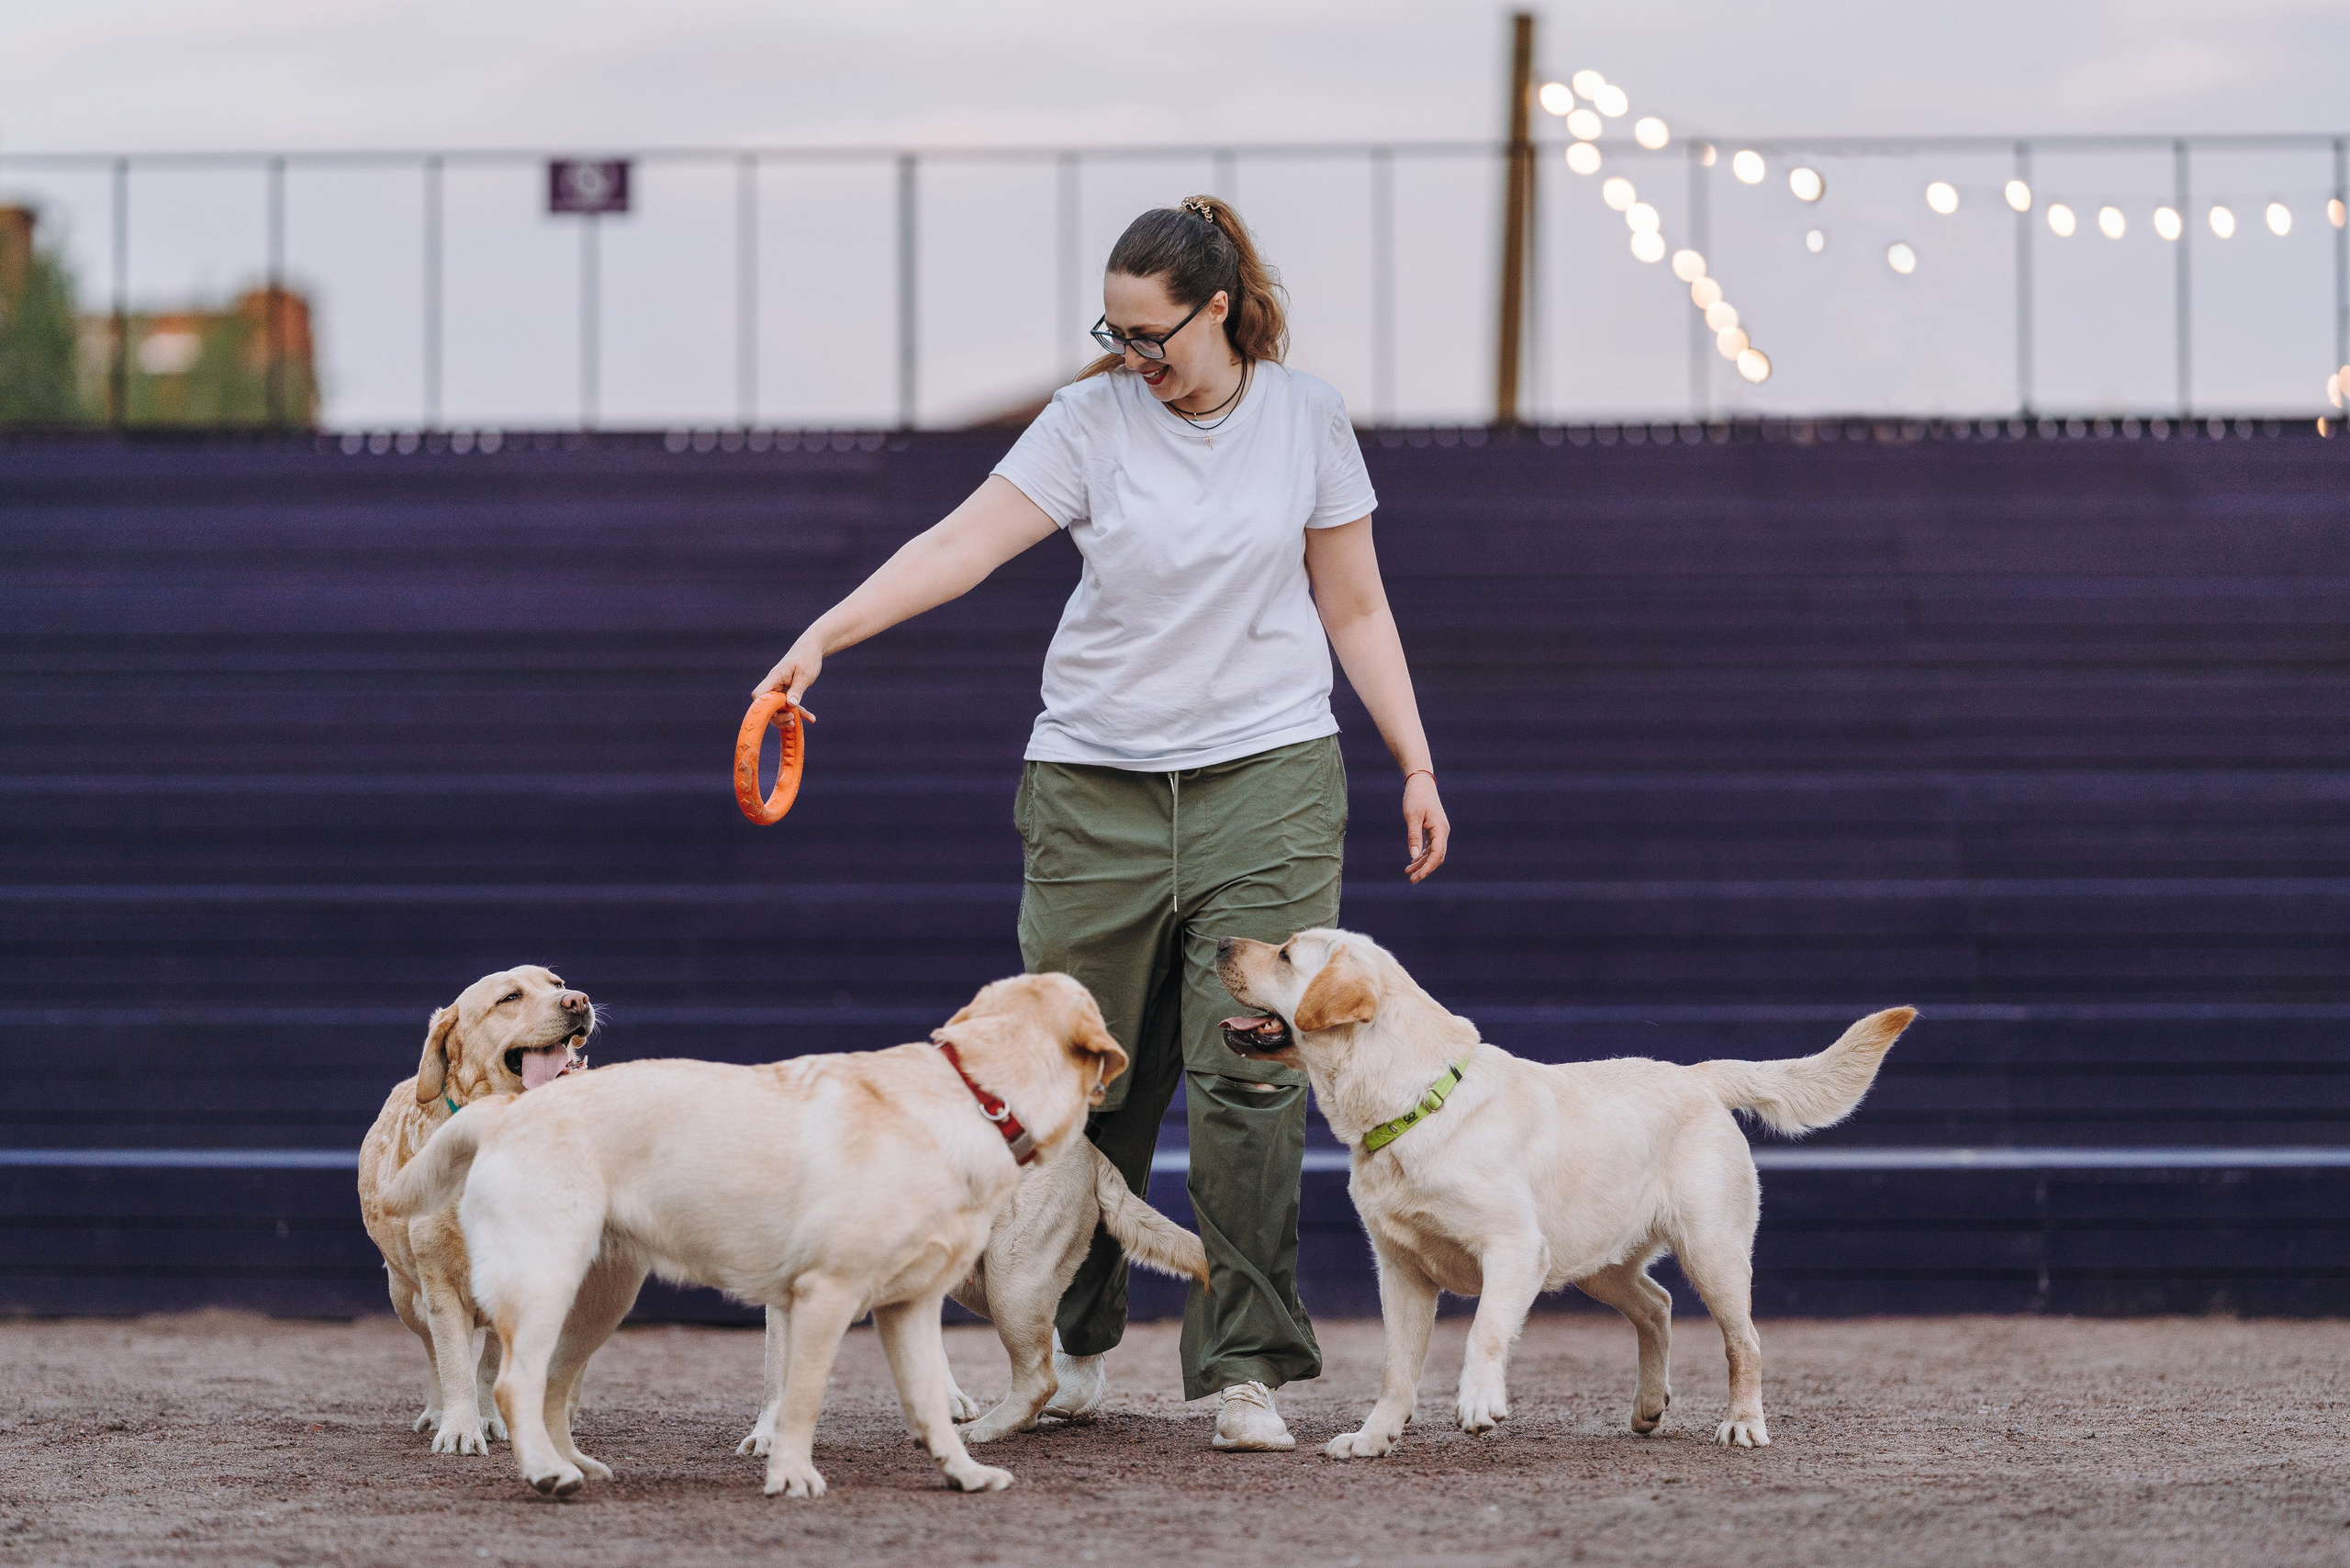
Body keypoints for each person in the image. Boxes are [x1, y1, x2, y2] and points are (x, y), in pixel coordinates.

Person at [754, 194, 1449, 1451]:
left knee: (1250, 1081)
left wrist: (1415, 760)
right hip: (1094, 787)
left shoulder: (1306, 418)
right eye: (1114, 329)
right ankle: (1066, 1350)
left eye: (1151, 330)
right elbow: (959, 547)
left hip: (1269, 776)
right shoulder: (1089, 421)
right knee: (1079, 1080)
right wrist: (822, 638)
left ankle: (1243, 1366)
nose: (1132, 352)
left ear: (1218, 308)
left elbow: (1354, 608)